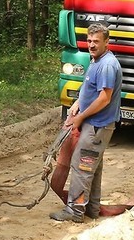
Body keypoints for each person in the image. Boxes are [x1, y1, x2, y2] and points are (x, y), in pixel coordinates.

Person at [50, 22, 123, 223]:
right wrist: (77, 104)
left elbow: (104, 98)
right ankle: (92, 208)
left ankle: (75, 211)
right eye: (89, 40)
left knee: (82, 167)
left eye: (96, 41)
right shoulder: (96, 60)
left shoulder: (107, 65)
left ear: (106, 42)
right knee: (93, 166)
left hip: (98, 126)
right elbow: (89, 88)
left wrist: (81, 117)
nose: (91, 44)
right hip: (95, 124)